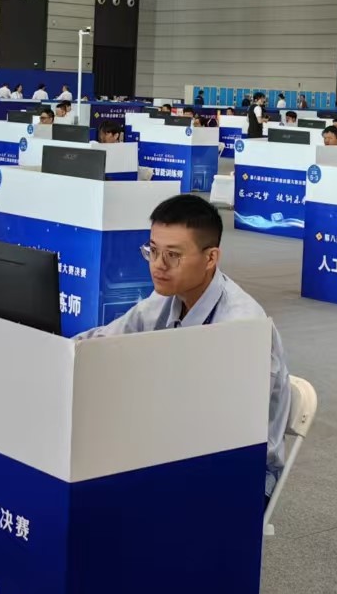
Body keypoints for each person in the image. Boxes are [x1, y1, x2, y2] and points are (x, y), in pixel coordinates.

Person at [79, 195, 290, 500]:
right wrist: (60, 352)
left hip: (238, 473)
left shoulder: (242, 328)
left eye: (173, 255)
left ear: (211, 258)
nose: (158, 265)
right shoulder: (166, 297)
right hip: (173, 447)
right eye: (153, 251)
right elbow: (104, 340)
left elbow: (232, 432)